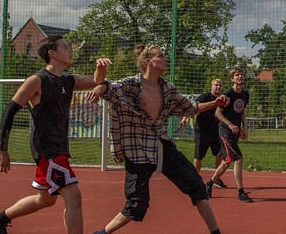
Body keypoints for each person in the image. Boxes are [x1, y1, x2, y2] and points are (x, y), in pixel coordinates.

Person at [88, 45, 228, 234]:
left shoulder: (167, 89)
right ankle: (101, 233)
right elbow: (106, 85)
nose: (165, 59)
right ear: (148, 62)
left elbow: (191, 107)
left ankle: (216, 232)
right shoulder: (131, 85)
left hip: (161, 145)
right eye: (160, 56)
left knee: (197, 186)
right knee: (137, 205)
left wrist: (215, 103)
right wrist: (99, 81)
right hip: (137, 149)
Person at [0, 35, 111, 234]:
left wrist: (101, 68)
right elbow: (9, 111)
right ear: (52, 54)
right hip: (46, 148)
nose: (70, 50)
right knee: (73, 195)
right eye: (66, 47)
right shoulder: (37, 80)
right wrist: (2, 149)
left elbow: (96, 81)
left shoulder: (69, 80)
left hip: (59, 146)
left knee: (46, 199)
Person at [206, 68, 252, 202]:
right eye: (237, 75)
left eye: (241, 75)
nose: (240, 77)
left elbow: (242, 112)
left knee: (226, 162)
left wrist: (244, 128)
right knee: (238, 158)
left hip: (235, 132)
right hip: (225, 132)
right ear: (232, 79)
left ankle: (209, 184)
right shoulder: (228, 95)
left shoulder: (245, 94)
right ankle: (240, 192)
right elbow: (217, 113)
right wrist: (230, 125)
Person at [186, 78, 227, 187]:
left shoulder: (223, 100)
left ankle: (216, 178)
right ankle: (195, 180)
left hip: (216, 131)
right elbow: (198, 108)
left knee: (219, 154)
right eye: (216, 85)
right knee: (198, 156)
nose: (218, 87)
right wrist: (214, 103)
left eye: (220, 85)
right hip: (202, 131)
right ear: (211, 86)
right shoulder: (204, 97)